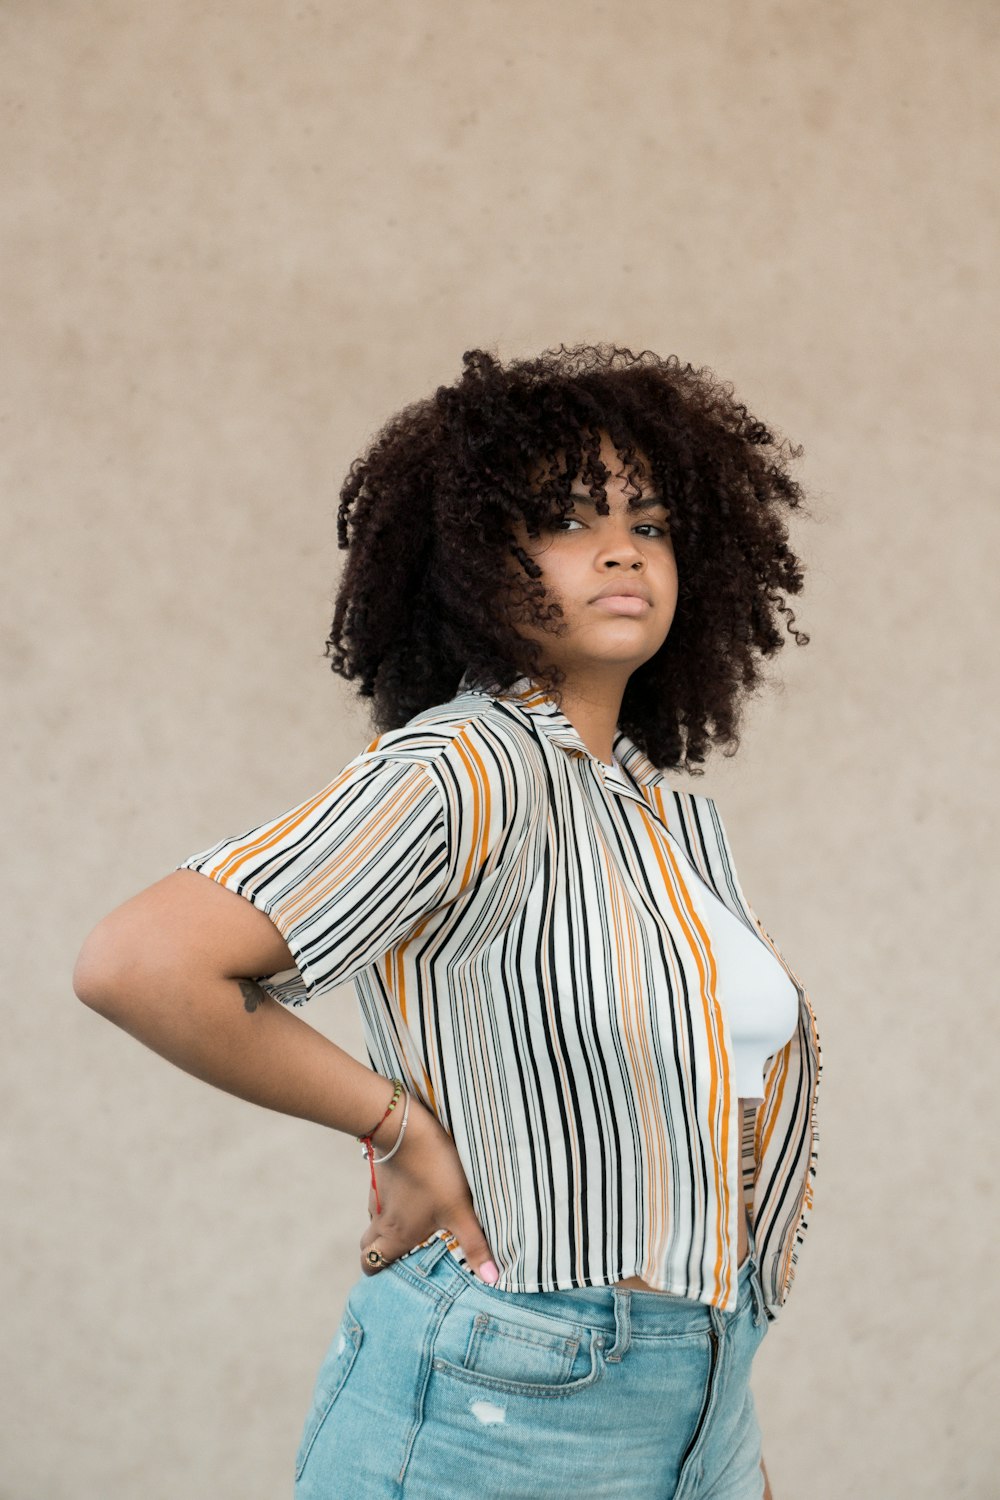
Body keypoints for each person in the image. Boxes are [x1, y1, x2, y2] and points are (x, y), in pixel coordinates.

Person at [73, 344, 821, 1499]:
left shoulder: (648, 811)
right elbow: (141, 962)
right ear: (472, 559)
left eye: (652, 522)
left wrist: (721, 1436)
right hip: (506, 1399)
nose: (622, 548)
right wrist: (399, 1130)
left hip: (699, 1401)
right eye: (565, 520)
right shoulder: (464, 768)